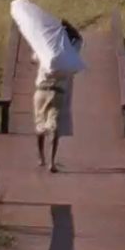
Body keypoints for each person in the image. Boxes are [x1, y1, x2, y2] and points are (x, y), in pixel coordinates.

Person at [34, 20, 84, 172]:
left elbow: (33, 58)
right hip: (57, 92)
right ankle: (52, 162)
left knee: (40, 125)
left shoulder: (45, 47)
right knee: (55, 126)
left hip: (40, 90)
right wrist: (68, 25)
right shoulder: (69, 52)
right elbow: (80, 39)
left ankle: (41, 157)